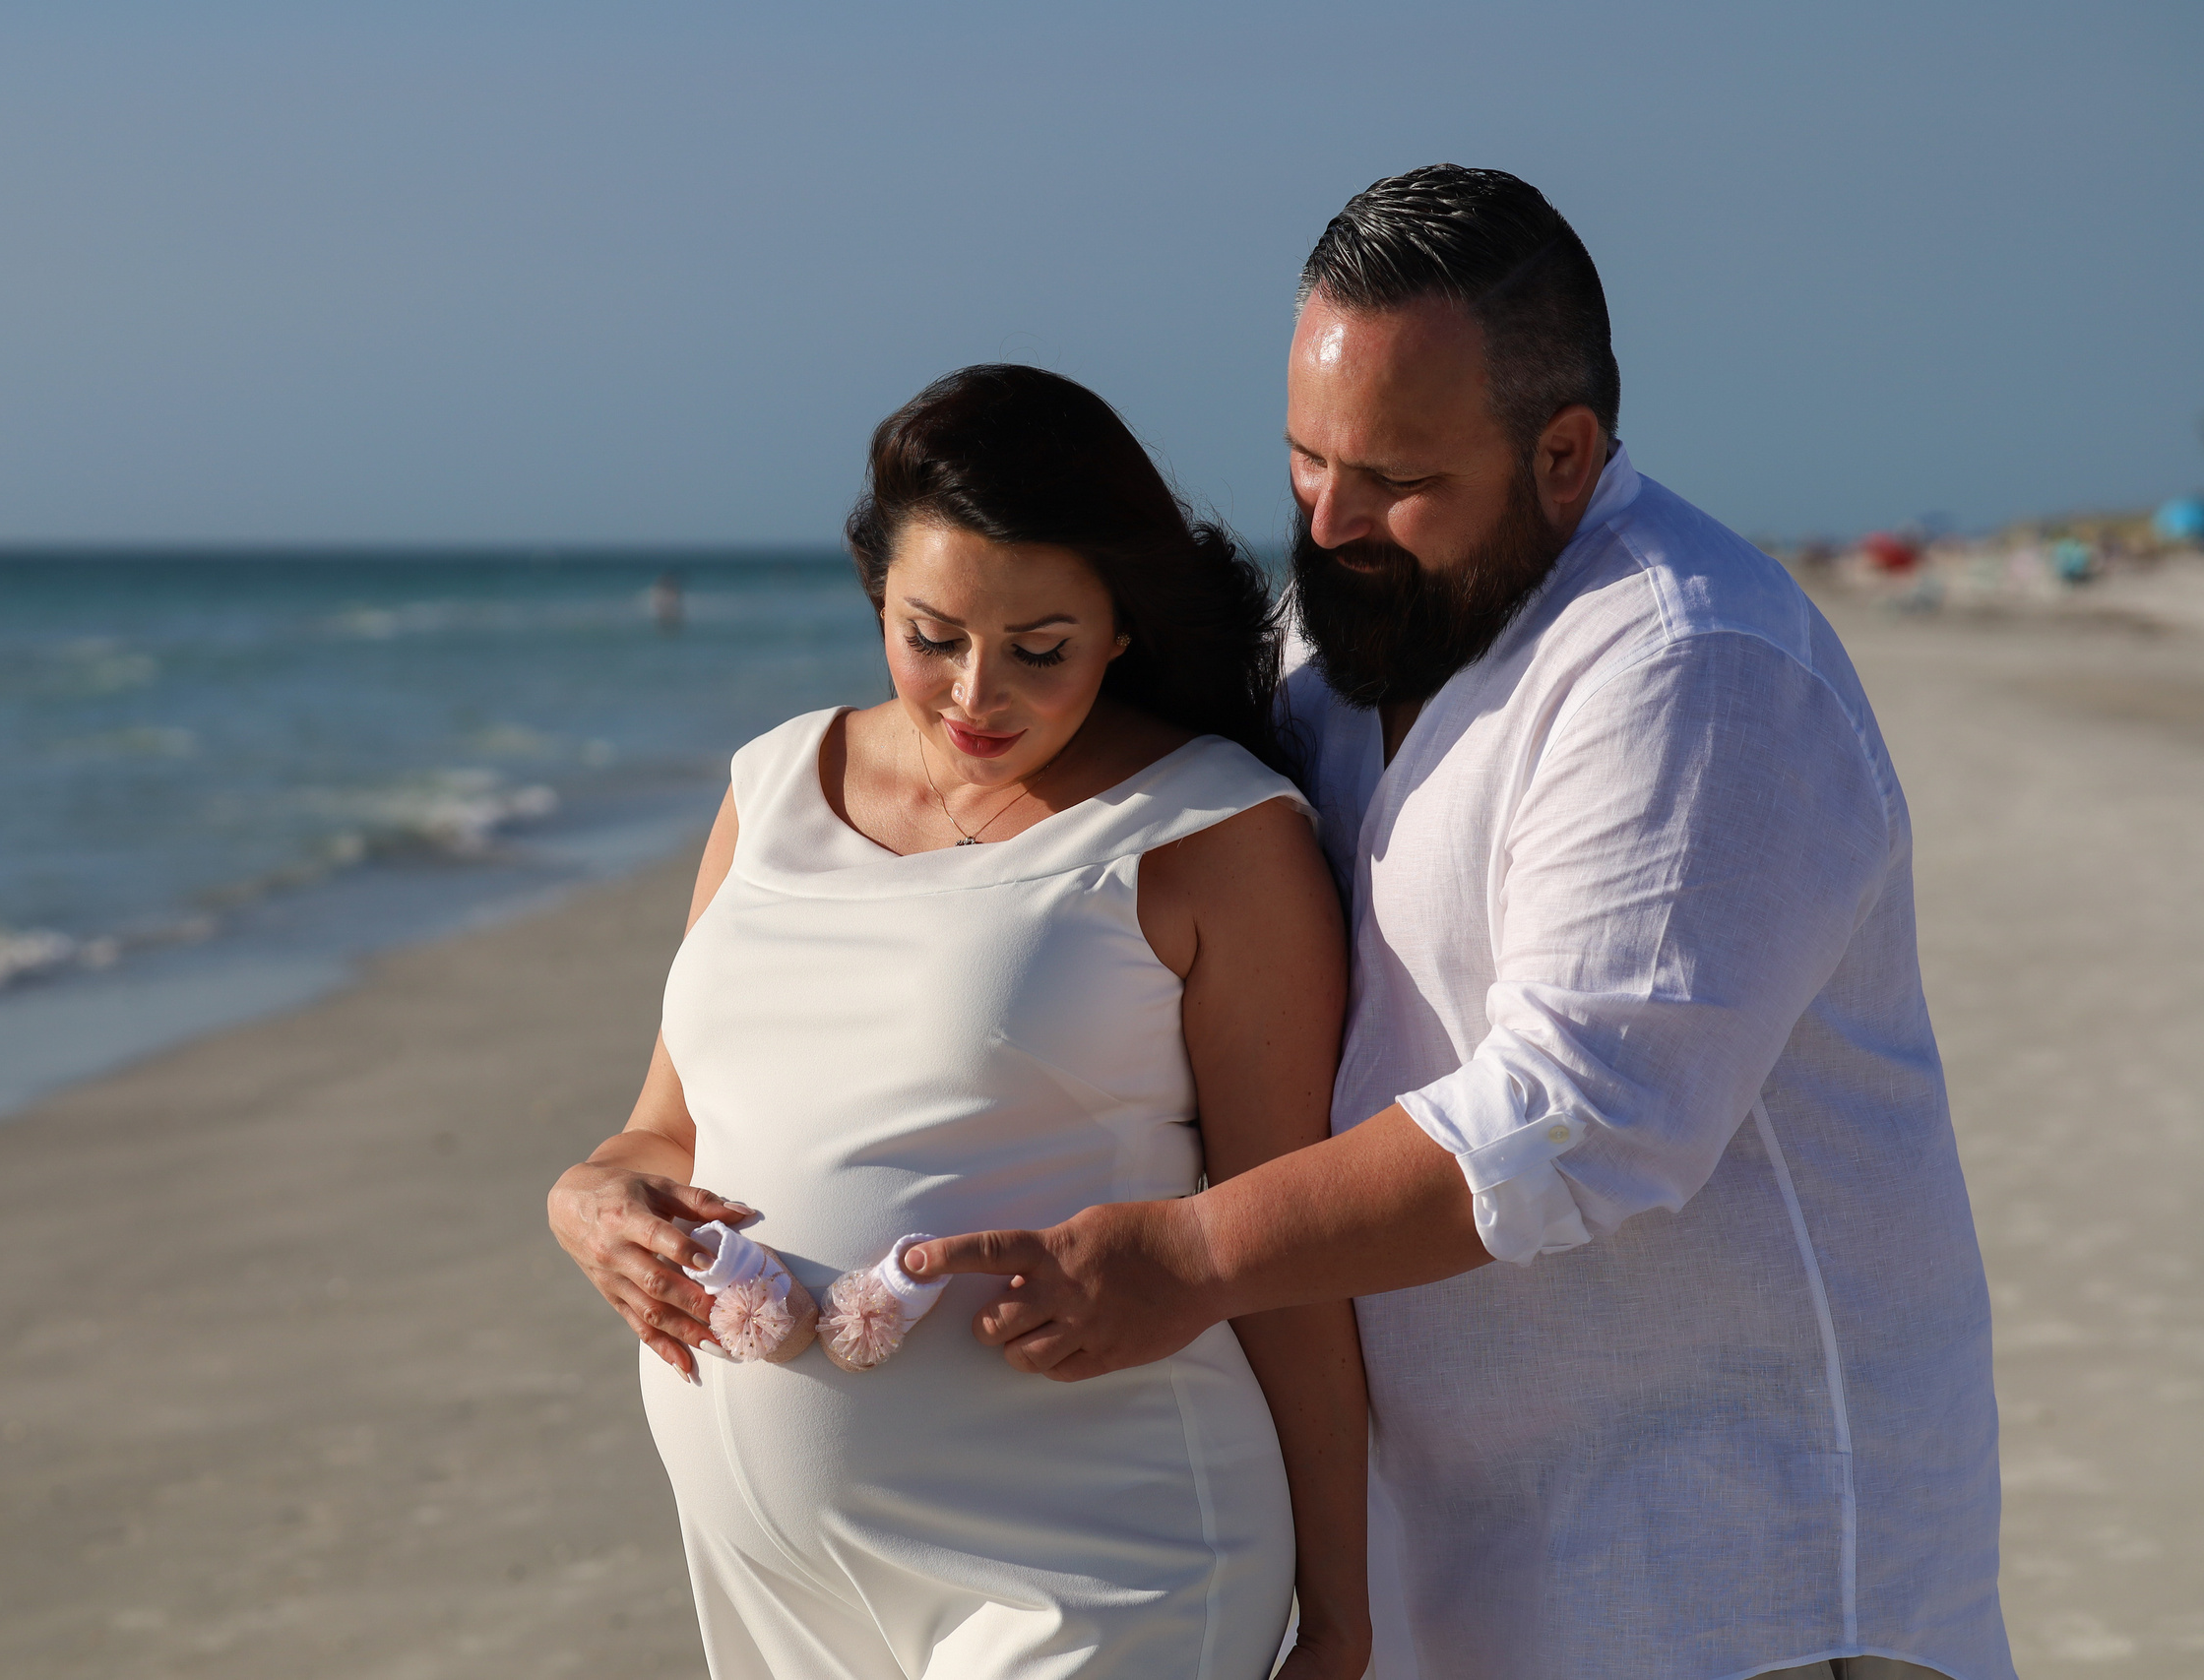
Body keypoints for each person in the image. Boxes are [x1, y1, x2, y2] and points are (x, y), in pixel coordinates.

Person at [909, 167, 2014, 1680]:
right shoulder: (1339, 629)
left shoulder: (1689, 665)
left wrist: (1191, 1255)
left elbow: (1580, 1114)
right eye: (1306, 460)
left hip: (1734, 1577)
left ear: (1563, 452)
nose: (1333, 516)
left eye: (1396, 479)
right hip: (1458, 1567)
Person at [547, 365, 1374, 1680]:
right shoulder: (773, 788)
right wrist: (588, 1201)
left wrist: (1339, 1608)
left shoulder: (1214, 834)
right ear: (880, 593)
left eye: (1039, 649)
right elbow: (665, 1132)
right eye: (932, 635)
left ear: (1118, 626)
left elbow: (1281, 1248)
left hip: (1100, 1557)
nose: (977, 694)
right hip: (778, 1584)